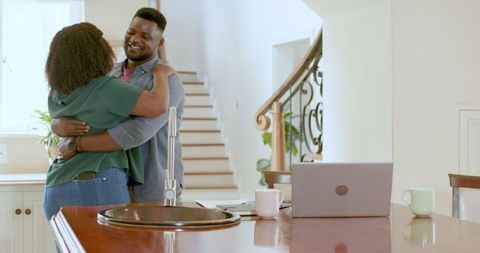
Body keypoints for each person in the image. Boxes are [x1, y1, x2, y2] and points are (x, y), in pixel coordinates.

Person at [51, 7, 185, 202]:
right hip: (111, 179)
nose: (135, 39)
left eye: (145, 36)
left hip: (153, 185)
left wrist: (77, 144)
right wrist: (56, 124)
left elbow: (137, 131)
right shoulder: (107, 74)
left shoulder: (167, 81)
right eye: (131, 31)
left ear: (160, 41)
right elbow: (83, 111)